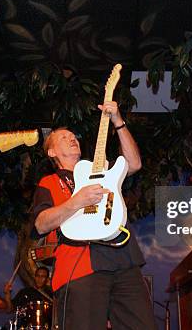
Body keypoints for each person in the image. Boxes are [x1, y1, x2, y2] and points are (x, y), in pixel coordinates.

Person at [32, 101, 155, 330]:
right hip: (80, 268)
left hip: (124, 259)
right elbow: (40, 224)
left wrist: (118, 121)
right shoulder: (49, 182)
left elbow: (135, 164)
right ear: (51, 152)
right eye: (63, 138)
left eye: (73, 136)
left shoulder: (103, 170)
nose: (72, 138)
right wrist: (76, 202)